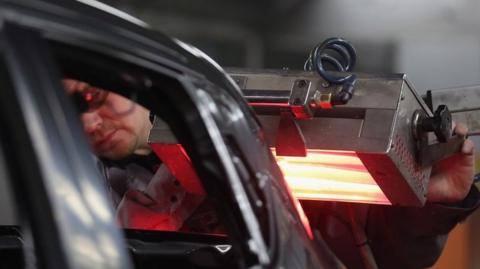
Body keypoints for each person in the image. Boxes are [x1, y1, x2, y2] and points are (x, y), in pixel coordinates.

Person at [64, 79, 479, 268]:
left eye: (92, 97)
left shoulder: (271, 144)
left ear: (133, 79)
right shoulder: (72, 190)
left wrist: (426, 201)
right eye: (66, 110)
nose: (89, 124)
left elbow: (389, 255)